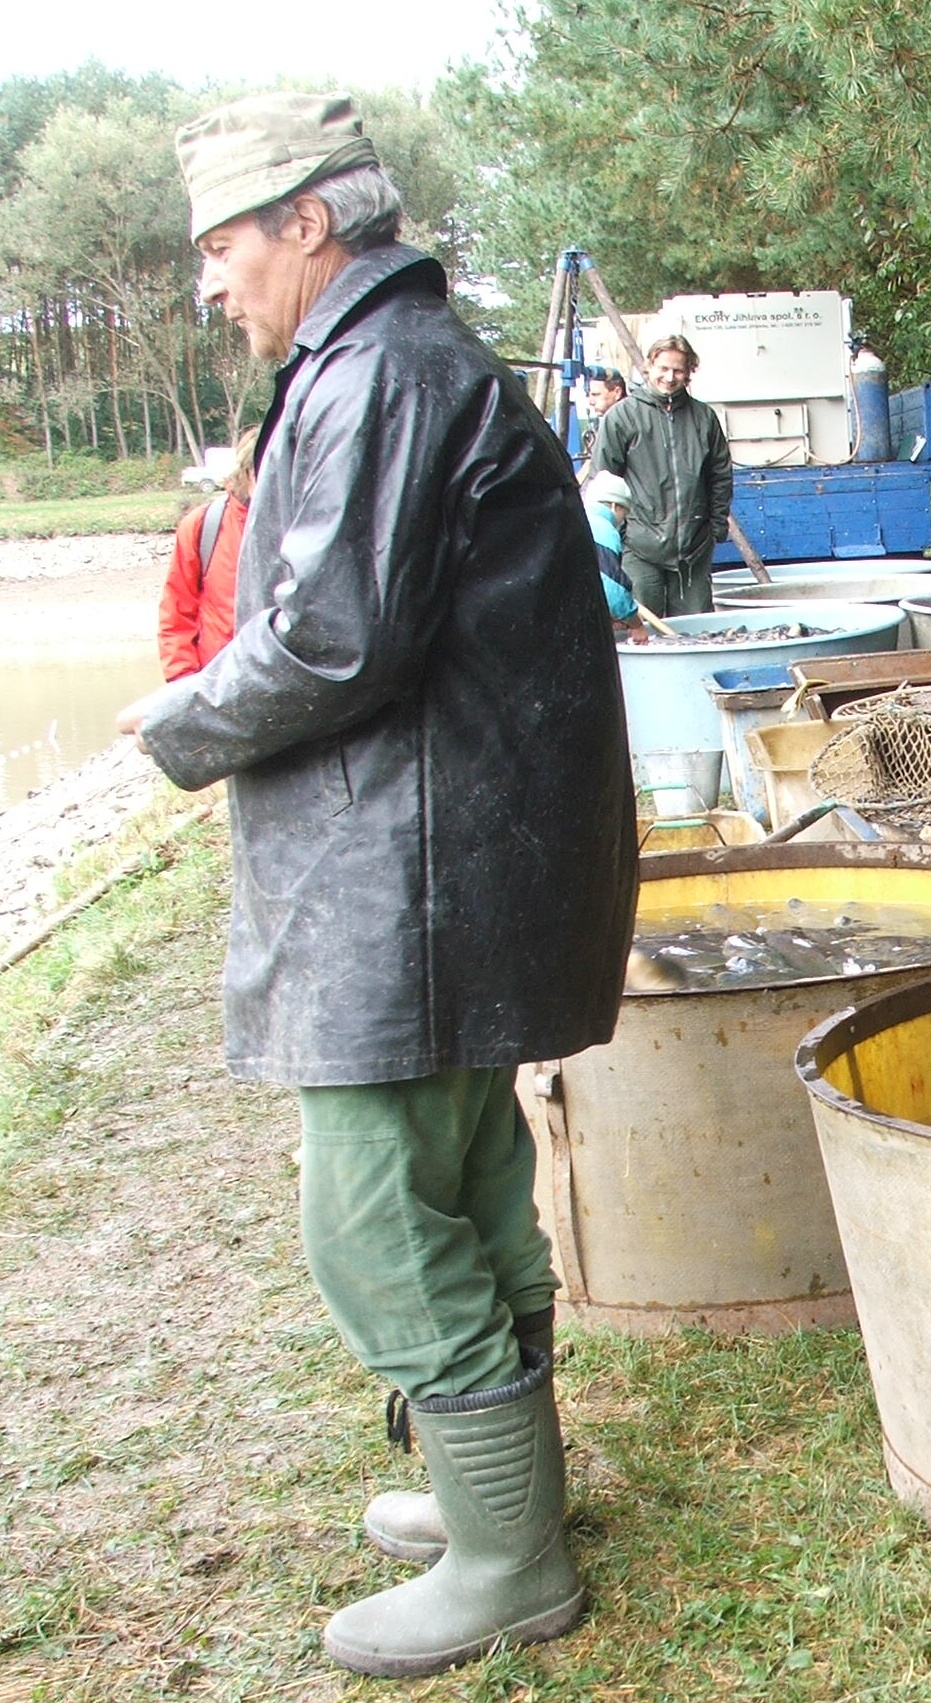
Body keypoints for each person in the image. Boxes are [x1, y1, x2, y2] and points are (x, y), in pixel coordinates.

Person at [115, 92, 637, 1678]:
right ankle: (505, 1502)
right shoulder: (400, 359)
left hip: (411, 880)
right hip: (452, 866)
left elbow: (333, 637)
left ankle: (508, 1557)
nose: (212, 280)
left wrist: (177, 720)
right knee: (467, 1179)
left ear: (308, 223)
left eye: (224, 244)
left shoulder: (383, 373)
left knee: (373, 1218)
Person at [590, 333, 733, 618]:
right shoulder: (622, 417)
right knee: (643, 630)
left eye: (678, 370)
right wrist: (617, 536)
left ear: (689, 371)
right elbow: (603, 481)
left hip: (694, 550)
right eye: (663, 368)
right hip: (638, 548)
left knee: (698, 631)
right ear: (649, 366)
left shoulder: (704, 417)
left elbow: (720, 475)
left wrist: (716, 527)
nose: (669, 377)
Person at [158, 425, 259, 679]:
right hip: (217, 683)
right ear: (246, 473)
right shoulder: (202, 526)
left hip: (285, 688)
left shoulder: (303, 529)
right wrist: (184, 686)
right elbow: (176, 616)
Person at [582, 469, 647, 634]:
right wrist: (636, 624)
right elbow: (612, 587)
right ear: (615, 506)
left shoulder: (580, 519)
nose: (623, 520)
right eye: (625, 512)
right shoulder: (603, 530)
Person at [575, 368, 626, 483]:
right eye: (588, 395)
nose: (591, 401)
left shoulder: (626, 424)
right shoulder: (599, 426)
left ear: (617, 392)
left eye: (596, 395)